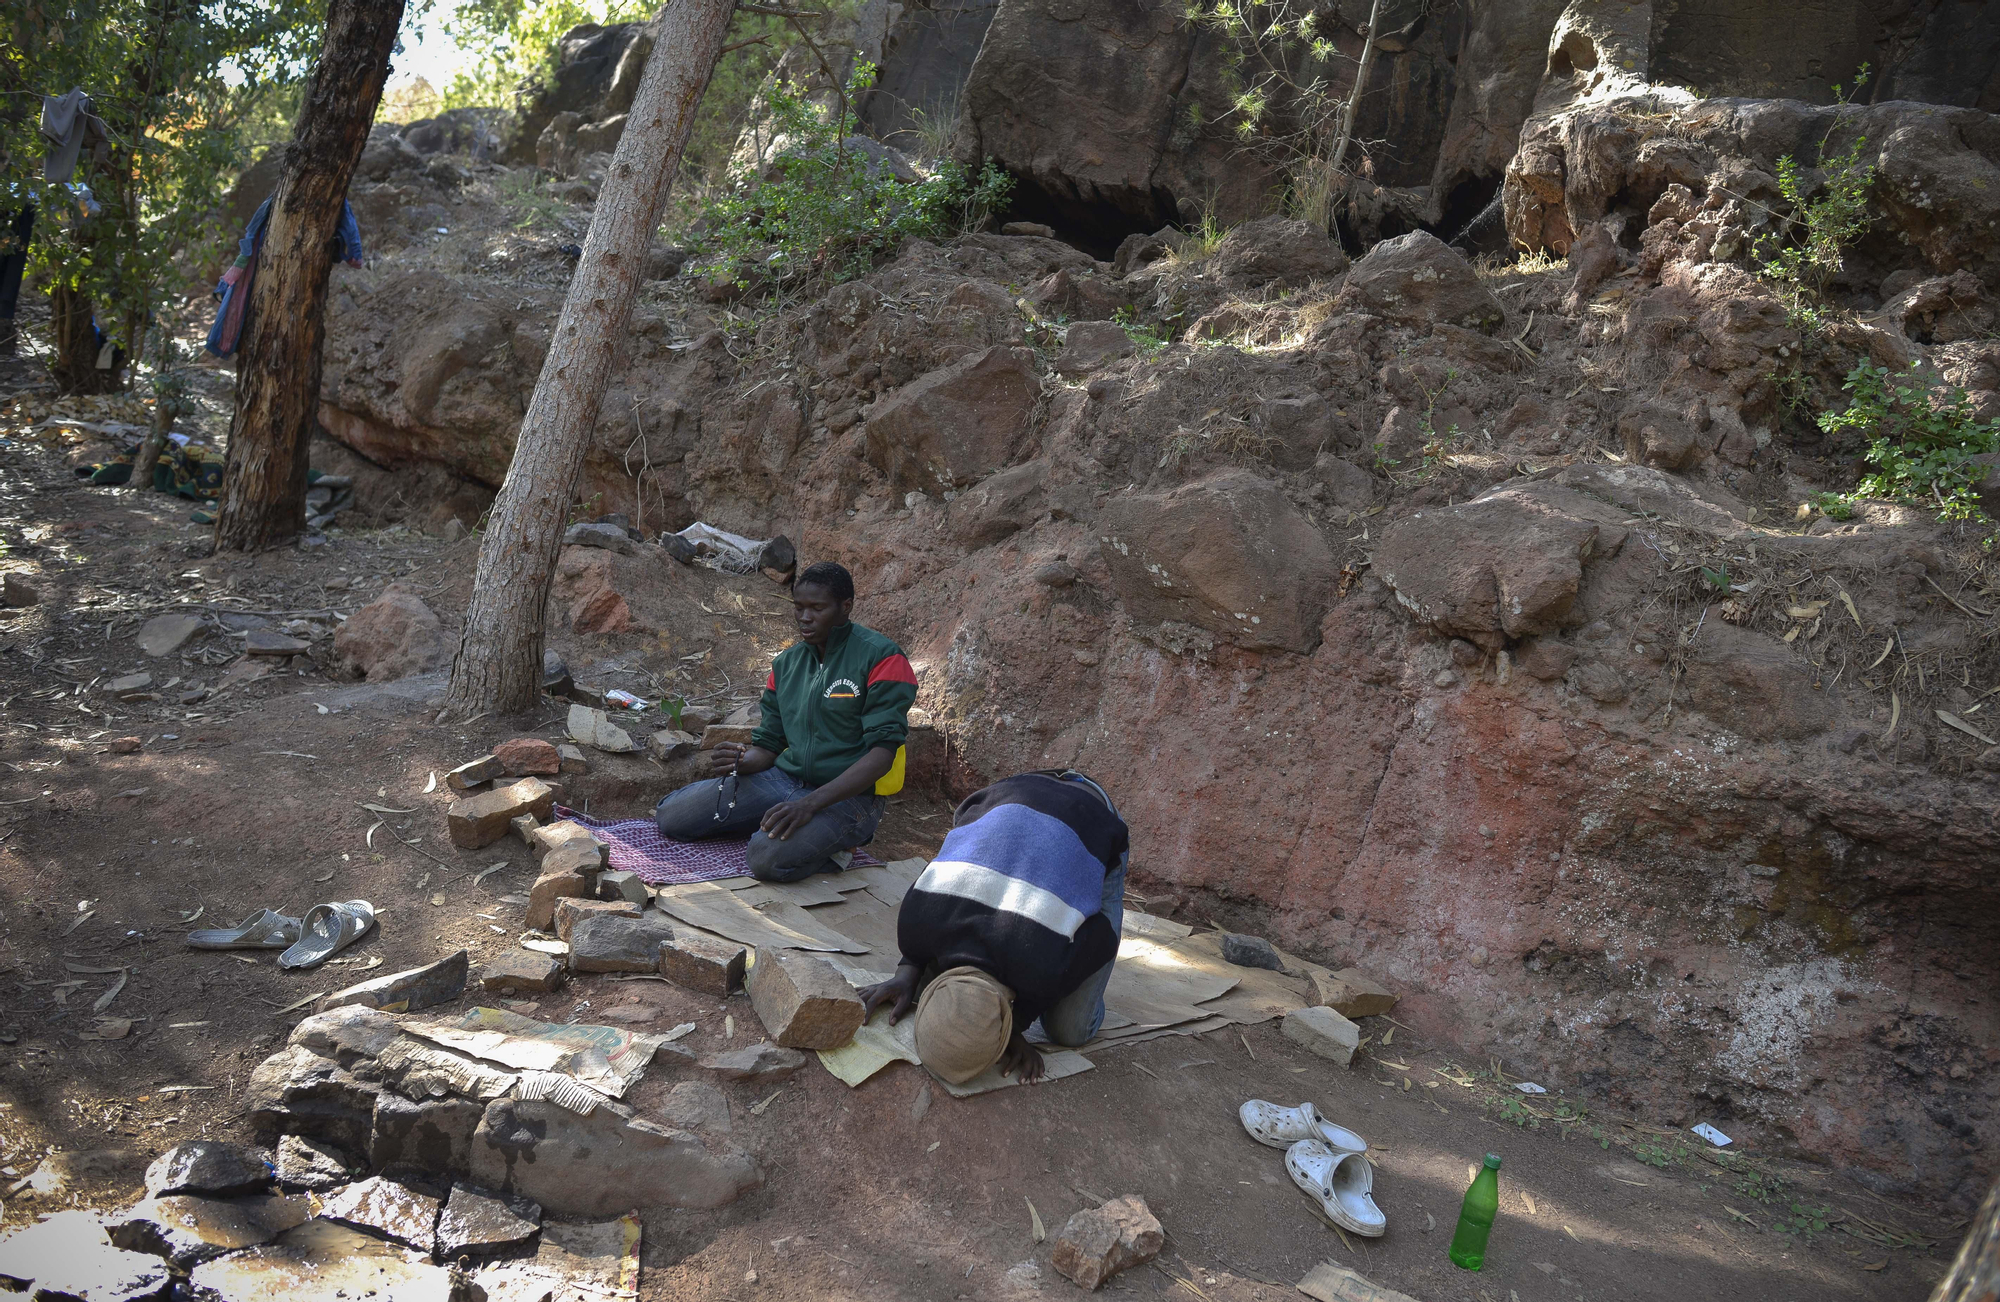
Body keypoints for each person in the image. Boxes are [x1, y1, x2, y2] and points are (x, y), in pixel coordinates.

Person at [859, 770, 1129, 1084]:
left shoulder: (1045, 970)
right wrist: (906, 974)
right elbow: (958, 832)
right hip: (1002, 797)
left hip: (1091, 818)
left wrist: (1015, 1025)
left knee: (1071, 1030)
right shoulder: (914, 926)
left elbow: (1103, 938)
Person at [653, 560, 917, 882]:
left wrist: (810, 804)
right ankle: (781, 825)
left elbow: (882, 757)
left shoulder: (883, 658)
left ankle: (838, 848)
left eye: (817, 608)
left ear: (845, 607)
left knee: (765, 858)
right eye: (799, 607)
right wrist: (742, 760)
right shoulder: (786, 664)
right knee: (672, 816)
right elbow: (769, 745)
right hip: (784, 781)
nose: (805, 618)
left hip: (849, 798)